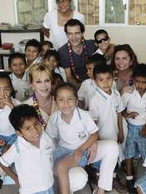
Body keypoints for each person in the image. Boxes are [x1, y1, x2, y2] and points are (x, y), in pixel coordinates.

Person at [46, 82, 119, 194]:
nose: (65, 103)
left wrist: (81, 149)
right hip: (62, 150)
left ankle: (101, 190)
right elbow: (49, 138)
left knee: (61, 167)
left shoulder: (83, 115)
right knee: (48, 164)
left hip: (81, 151)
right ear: (55, 102)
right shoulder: (55, 117)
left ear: (76, 101)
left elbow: (95, 134)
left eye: (70, 99)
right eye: (61, 99)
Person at [0, 104, 55, 194]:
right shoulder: (17, 149)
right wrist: (15, 178)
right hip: (30, 191)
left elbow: (51, 153)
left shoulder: (45, 137)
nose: (35, 131)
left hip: (48, 185)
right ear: (19, 133)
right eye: (28, 128)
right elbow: (3, 163)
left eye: (36, 124)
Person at [89, 64, 127, 193]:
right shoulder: (95, 99)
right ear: (95, 81)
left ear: (113, 78)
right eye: (101, 79)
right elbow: (92, 122)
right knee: (102, 160)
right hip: (101, 135)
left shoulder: (115, 93)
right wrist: (95, 139)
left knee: (114, 156)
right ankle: (98, 181)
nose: (105, 82)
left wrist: (121, 131)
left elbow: (119, 112)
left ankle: (112, 178)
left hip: (114, 132)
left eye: (108, 78)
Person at [121, 64, 146, 194]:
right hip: (130, 127)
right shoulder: (129, 93)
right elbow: (120, 109)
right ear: (133, 80)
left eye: (144, 82)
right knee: (129, 152)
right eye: (137, 81)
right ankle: (129, 177)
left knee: (145, 152)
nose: (140, 85)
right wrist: (127, 114)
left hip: (144, 128)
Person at [58, 19, 97, 89]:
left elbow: (111, 46)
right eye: (70, 34)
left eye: (77, 33)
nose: (74, 37)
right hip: (77, 85)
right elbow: (69, 77)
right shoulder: (63, 52)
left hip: (95, 82)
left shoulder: (92, 44)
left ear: (82, 33)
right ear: (66, 34)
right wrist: (83, 88)